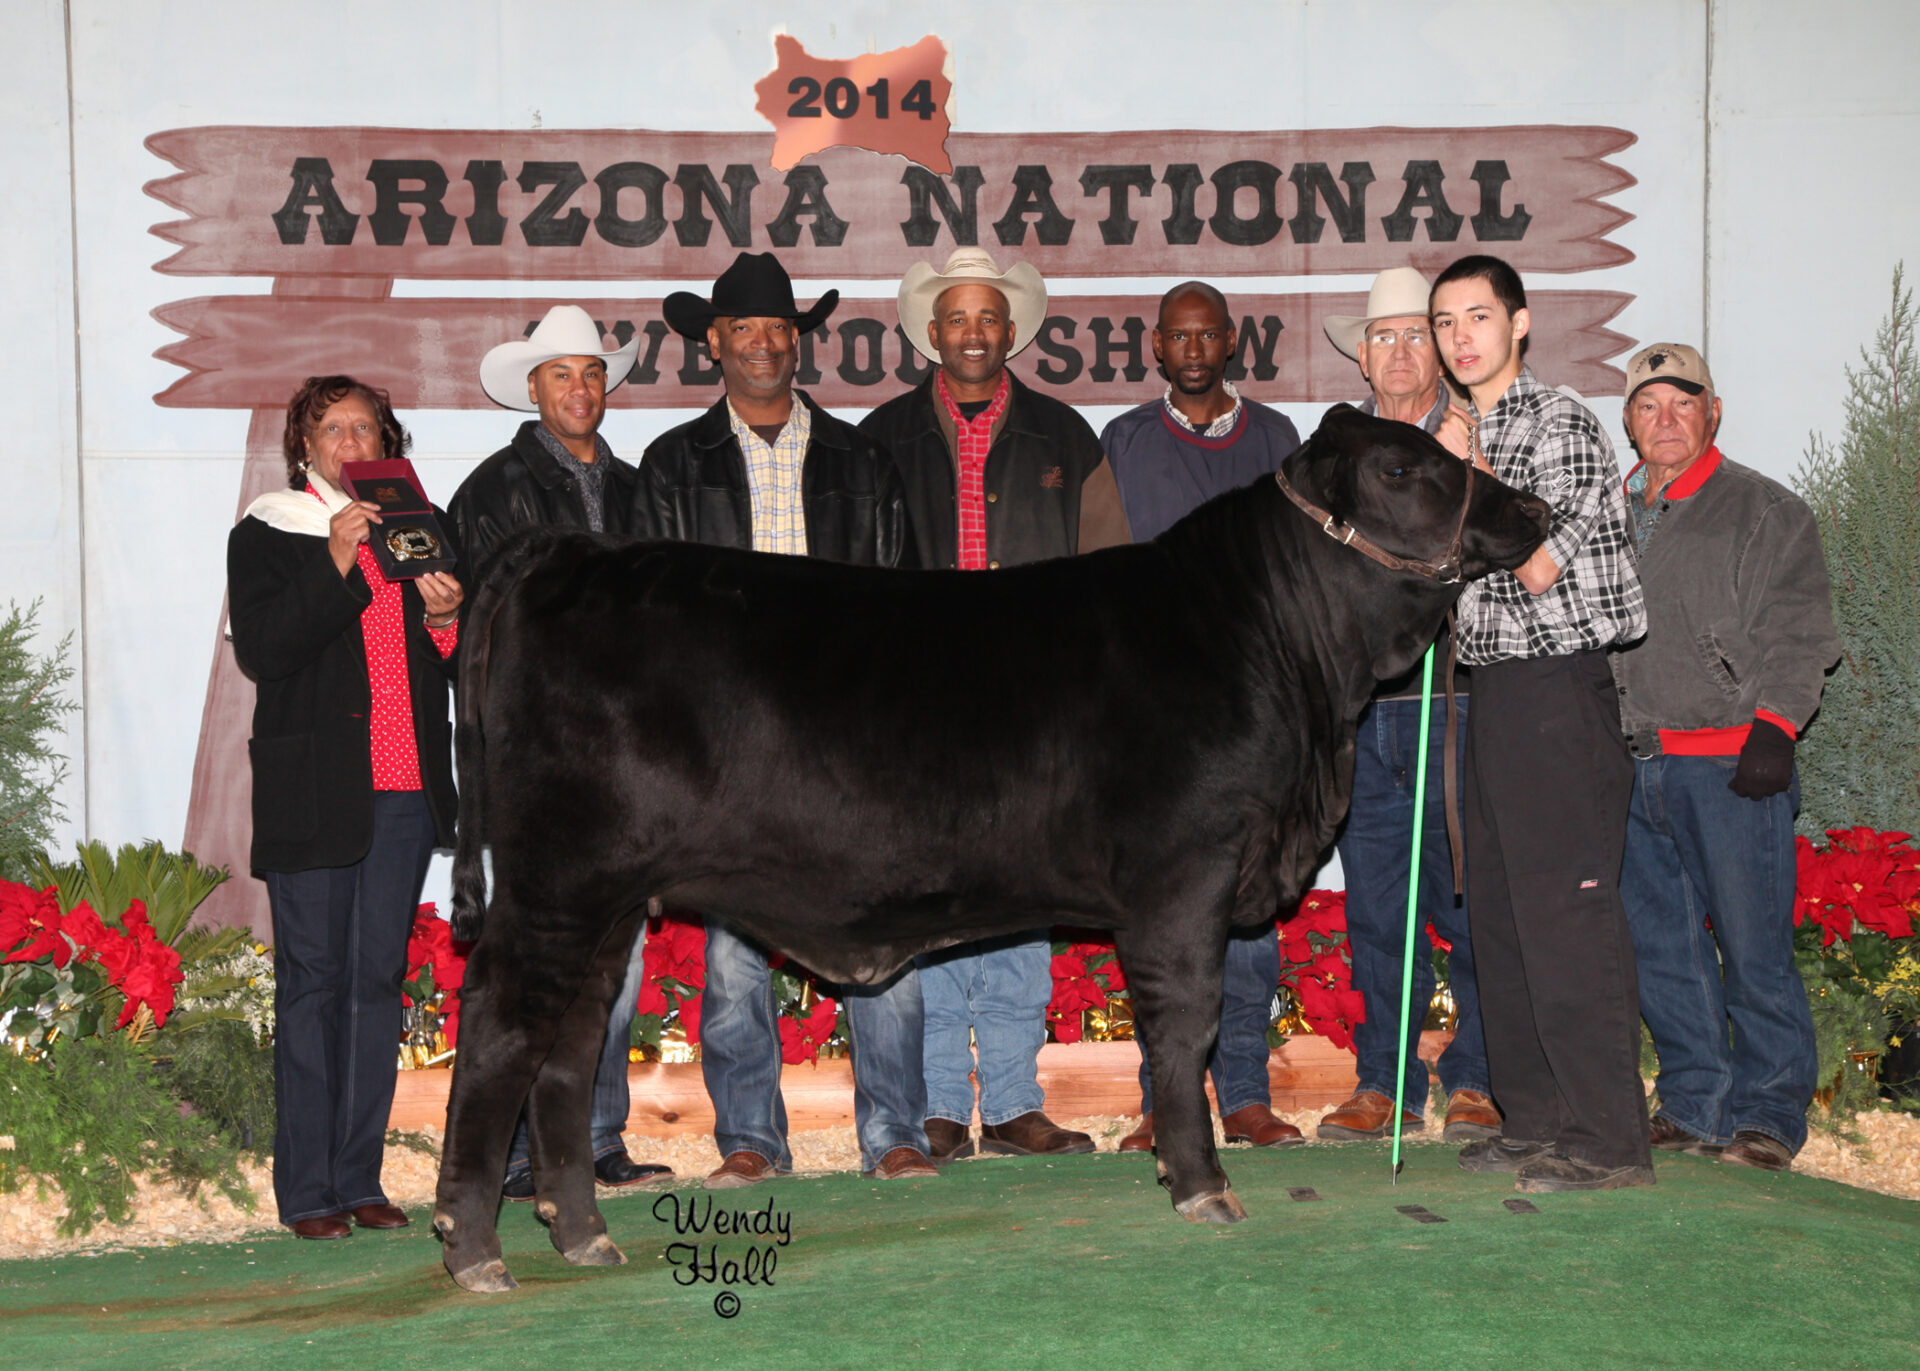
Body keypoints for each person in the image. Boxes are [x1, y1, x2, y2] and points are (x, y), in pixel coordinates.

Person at [635, 250, 931, 1188]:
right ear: (712, 343)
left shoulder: (861, 458)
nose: (764, 344)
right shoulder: (673, 465)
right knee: (731, 960)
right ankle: (752, 1138)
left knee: (884, 944)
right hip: (726, 752)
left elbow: (907, 609)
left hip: (851, 744)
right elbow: (650, 628)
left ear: (798, 342)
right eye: (745, 330)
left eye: (780, 329)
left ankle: (896, 1133)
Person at [860, 247, 1129, 1163]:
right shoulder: (881, 436)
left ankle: (1015, 1099)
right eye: (956, 318)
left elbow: (1110, 577)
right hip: (919, 704)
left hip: (1036, 704)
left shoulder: (1066, 435)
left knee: (1021, 892)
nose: (973, 333)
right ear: (930, 333)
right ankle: (936, 1104)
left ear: (1011, 331)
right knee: (935, 893)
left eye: (988, 319)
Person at [1431, 254, 1653, 1193]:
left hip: (1560, 688)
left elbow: (1535, 563)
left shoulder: (1556, 421)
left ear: (1520, 324)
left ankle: (1610, 1140)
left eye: (1477, 317)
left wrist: (1461, 475)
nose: (1459, 338)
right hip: (1492, 692)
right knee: (1505, 918)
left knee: (1567, 913)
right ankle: (1538, 1115)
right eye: (1445, 323)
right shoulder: (1464, 430)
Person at [229, 375, 462, 1239]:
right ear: (306, 446)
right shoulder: (271, 529)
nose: (352, 438)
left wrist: (448, 617)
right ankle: (308, 1190)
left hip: (402, 791)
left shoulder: (420, 529)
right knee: (313, 985)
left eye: (368, 425)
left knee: (373, 985)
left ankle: (361, 1177)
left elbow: (454, 658)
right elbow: (265, 649)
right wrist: (334, 557)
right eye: (334, 426)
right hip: (314, 791)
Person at [449, 305, 671, 1200]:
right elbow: (480, 636)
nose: (580, 389)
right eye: (561, 376)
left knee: (613, 960)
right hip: (546, 753)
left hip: (631, 752)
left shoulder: (637, 489)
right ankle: (508, 1152)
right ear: (532, 390)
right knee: (537, 950)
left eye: (591, 373)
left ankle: (591, 1139)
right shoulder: (494, 490)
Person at [1612, 342, 1839, 1172]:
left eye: (1683, 401)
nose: (1665, 419)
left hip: (1729, 762)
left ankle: (1771, 1112)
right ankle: (1693, 1099)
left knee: (1752, 946)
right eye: (1647, 405)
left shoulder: (1765, 509)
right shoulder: (1610, 508)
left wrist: (1777, 725)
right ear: (1629, 420)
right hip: (1630, 764)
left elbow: (1799, 628)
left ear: (1714, 411)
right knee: (1663, 947)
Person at [1098, 281, 1306, 1153]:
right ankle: (1165, 1100)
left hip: (1258, 709)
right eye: (1176, 337)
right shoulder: (1125, 441)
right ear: (1156, 347)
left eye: (1205, 335)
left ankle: (1248, 1094)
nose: (1191, 350)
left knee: (1247, 908)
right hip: (1156, 720)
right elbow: (1104, 580)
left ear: (1230, 342)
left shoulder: (1279, 441)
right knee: (1163, 911)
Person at [1312, 267, 1500, 1144]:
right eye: (1381, 336)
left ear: (1441, 351)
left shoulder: (1480, 435)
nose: (1397, 351)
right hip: (1368, 705)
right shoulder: (1336, 453)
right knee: (1377, 907)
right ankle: (1383, 1082)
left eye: (1414, 335)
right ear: (1361, 353)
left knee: (1468, 901)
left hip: (1456, 701)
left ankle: (1474, 1077)